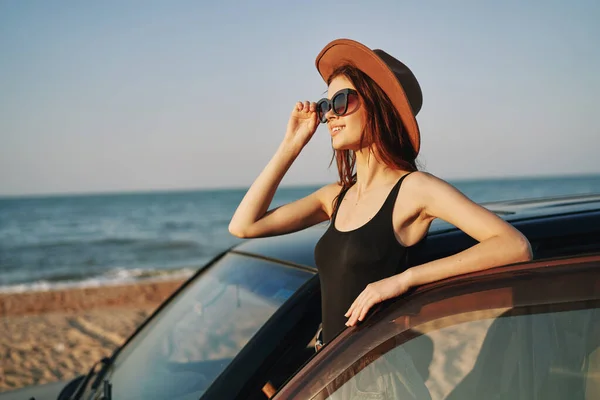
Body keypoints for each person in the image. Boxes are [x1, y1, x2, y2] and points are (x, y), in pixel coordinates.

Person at [228, 38, 533, 345]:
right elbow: (244, 225)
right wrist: (291, 145)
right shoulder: (335, 197)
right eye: (325, 106)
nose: (330, 115)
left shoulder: (415, 189)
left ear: (378, 104)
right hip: (333, 371)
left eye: (341, 101)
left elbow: (515, 246)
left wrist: (403, 281)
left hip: (380, 378)